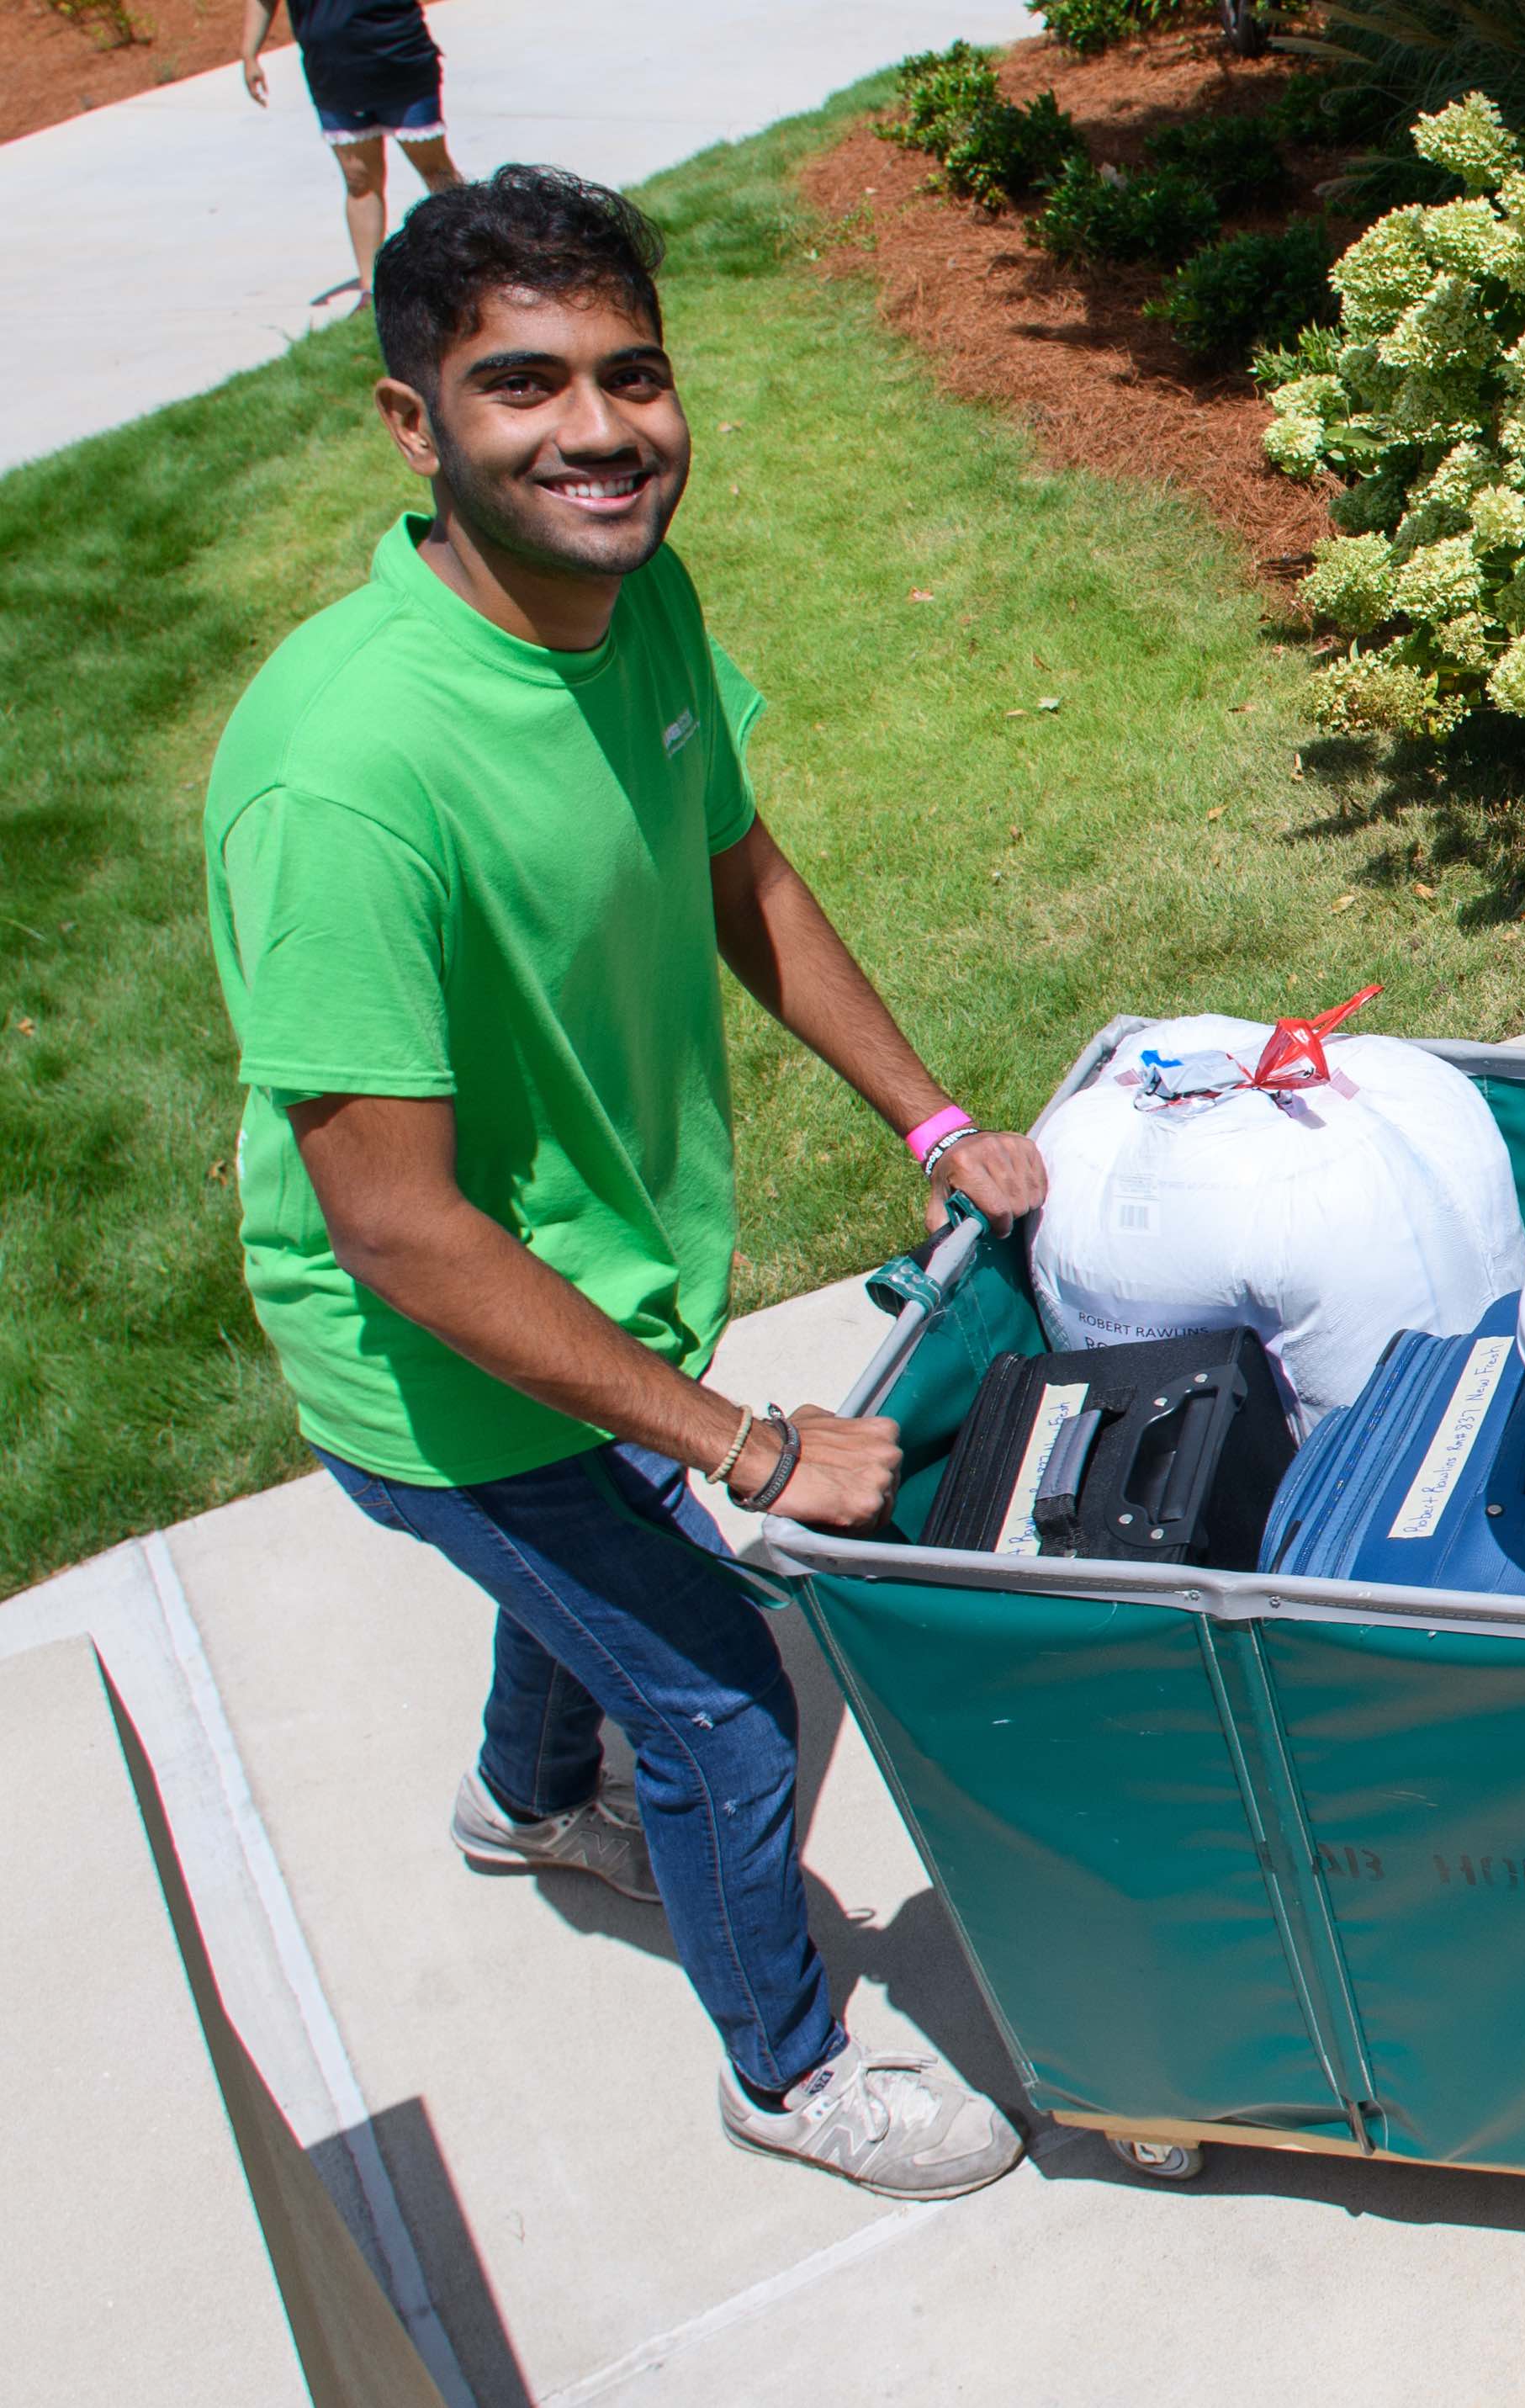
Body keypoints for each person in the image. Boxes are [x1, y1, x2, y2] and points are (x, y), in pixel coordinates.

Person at [202, 167, 1045, 2201]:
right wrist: (745, 1446)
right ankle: (788, 2065)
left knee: (594, 1593)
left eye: (632, 372)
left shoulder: (630, 593)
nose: (599, 429)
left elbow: (733, 862)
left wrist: (934, 1127)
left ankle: (525, 1800)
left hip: (599, 1286)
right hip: (447, 1360)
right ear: (416, 425)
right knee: (727, 1695)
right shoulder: (343, 769)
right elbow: (396, 1225)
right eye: (524, 386)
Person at [238, 0, 463, 306]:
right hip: (332, 74)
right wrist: (250, 54)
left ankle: (469, 259)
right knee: (359, 181)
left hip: (399, 59)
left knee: (434, 169)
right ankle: (371, 291)